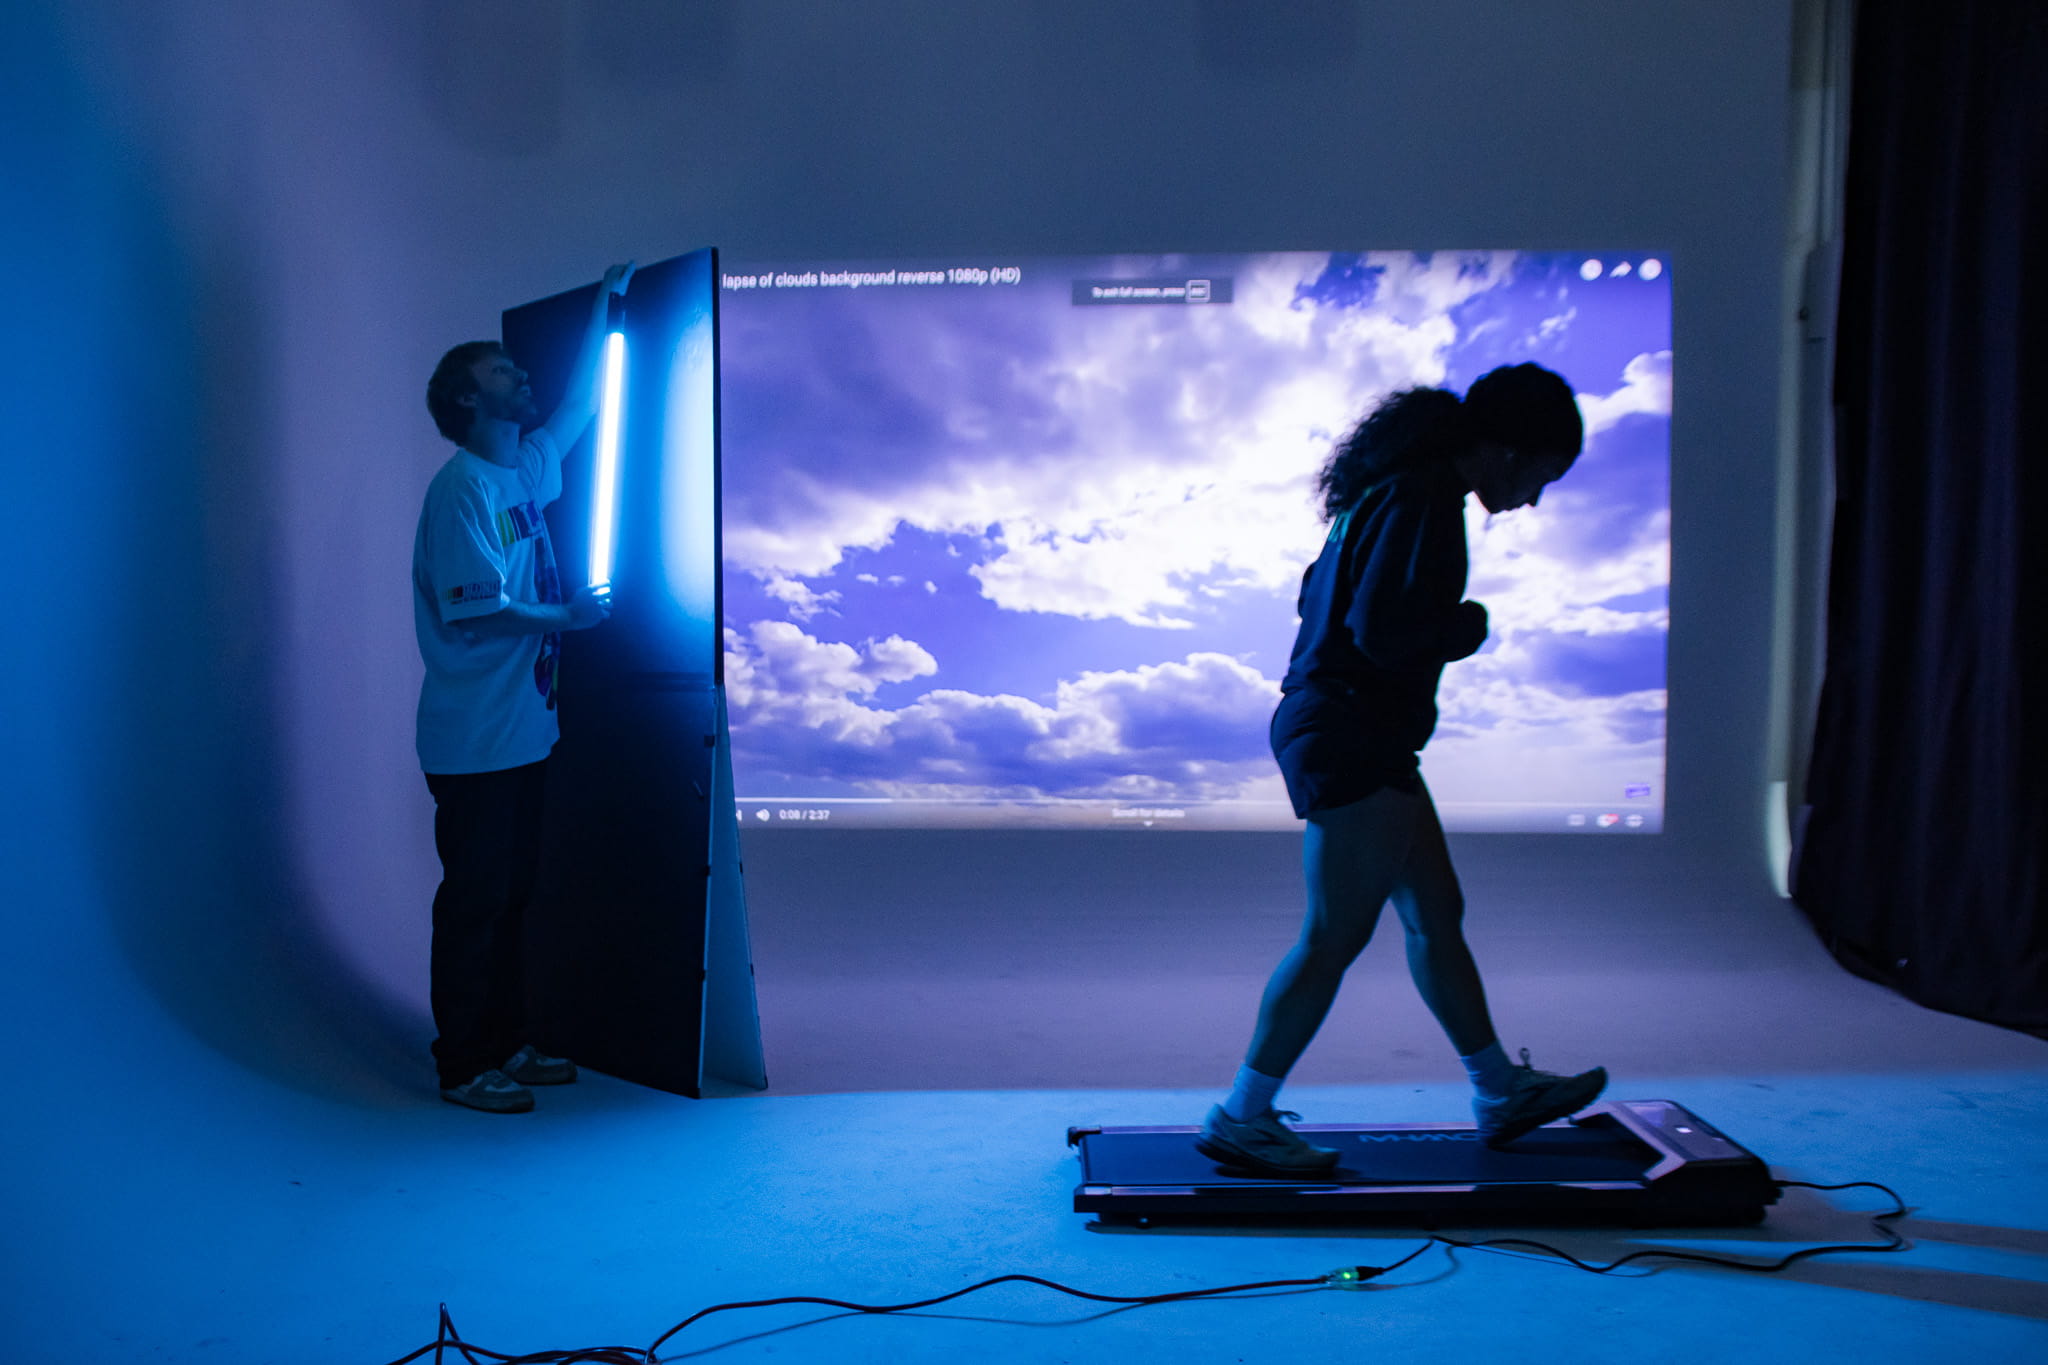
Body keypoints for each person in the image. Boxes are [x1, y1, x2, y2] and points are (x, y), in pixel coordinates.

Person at [1197, 362, 1607, 1173]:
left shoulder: (1382, 497)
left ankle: (1500, 1090)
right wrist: (1466, 627)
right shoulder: (1424, 498)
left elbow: (1319, 601)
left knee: (1436, 911)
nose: (1533, 499)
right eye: (1540, 477)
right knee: (1332, 937)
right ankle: (1242, 1115)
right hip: (1352, 730)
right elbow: (1382, 632)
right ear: (1507, 451)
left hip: (1353, 728)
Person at [413, 262, 634, 1113]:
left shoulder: (522, 474)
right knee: (473, 904)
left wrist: (604, 313)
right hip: (473, 742)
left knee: (512, 899)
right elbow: (477, 611)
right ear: (467, 401)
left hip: (522, 732)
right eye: (501, 372)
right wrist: (566, 619)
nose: (521, 375)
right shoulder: (461, 492)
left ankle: (505, 1039)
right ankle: (463, 1062)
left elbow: (581, 407)